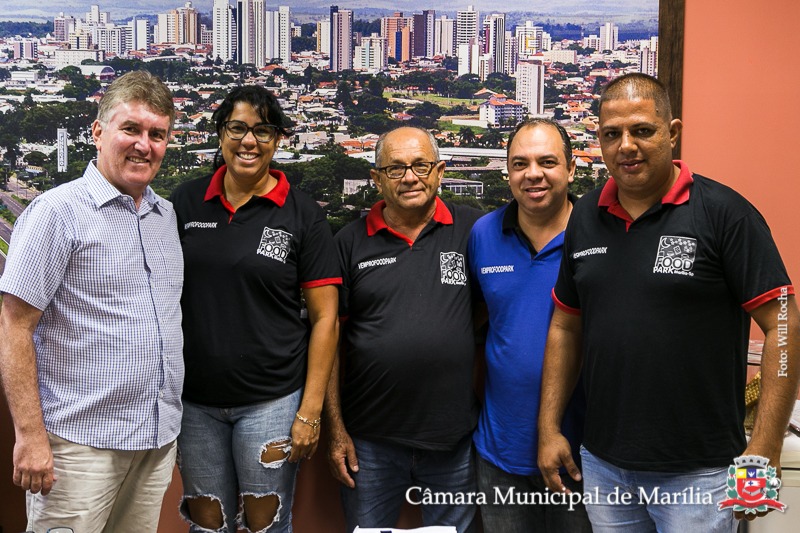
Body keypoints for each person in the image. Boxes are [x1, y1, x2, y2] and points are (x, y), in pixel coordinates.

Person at [538, 72, 799, 531]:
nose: (626, 146)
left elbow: (785, 324)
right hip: (604, 466)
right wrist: (549, 426)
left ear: (672, 133)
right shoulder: (584, 215)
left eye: (642, 130)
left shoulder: (725, 214)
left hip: (701, 474)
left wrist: (765, 447)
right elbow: (565, 325)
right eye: (612, 134)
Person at [0, 70, 182, 532]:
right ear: (98, 132)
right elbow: (14, 326)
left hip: (155, 440)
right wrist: (29, 437)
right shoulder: (56, 214)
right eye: (131, 129)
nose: (144, 144)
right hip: (79, 447)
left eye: (157, 134)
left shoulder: (165, 216)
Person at [169, 85, 340, 533]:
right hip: (195, 403)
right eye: (238, 129)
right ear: (221, 134)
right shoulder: (185, 203)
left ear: (278, 139)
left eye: (262, 131)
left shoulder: (303, 214)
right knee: (208, 523)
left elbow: (325, 320)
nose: (249, 141)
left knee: (266, 526)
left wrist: (310, 412)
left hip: (273, 401)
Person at [325, 126, 482, 532]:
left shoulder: (474, 231)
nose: (410, 177)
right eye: (395, 169)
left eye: (420, 166)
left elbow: (491, 311)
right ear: (376, 179)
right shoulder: (348, 243)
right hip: (369, 444)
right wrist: (336, 430)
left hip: (453, 442)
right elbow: (329, 341)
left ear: (440, 171)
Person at [468, 119, 591, 531]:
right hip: (500, 451)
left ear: (571, 170)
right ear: (507, 172)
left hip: (582, 455)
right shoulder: (483, 234)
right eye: (519, 163)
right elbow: (478, 317)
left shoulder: (596, 238)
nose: (532, 173)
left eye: (547, 161)